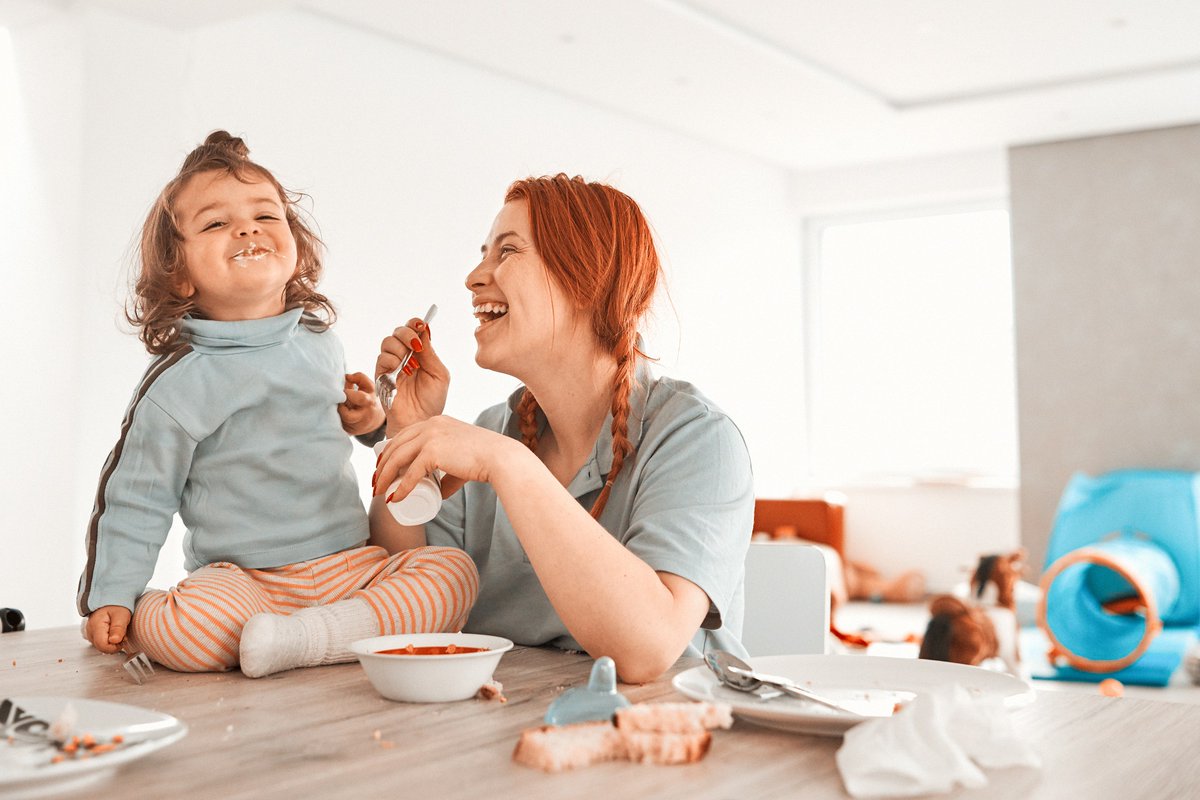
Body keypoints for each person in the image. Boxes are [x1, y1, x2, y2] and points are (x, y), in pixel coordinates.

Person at [77, 131, 478, 677]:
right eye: (216, 223)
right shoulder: (178, 384)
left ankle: (301, 639)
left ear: (296, 247)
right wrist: (114, 594)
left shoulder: (320, 344)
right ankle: (304, 633)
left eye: (266, 217)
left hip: (350, 566)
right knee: (186, 628)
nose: (247, 228)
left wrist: (371, 421)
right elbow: (136, 498)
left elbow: (337, 431)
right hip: (245, 584)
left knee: (452, 574)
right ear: (179, 270)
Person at [370, 174, 753, 683]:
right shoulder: (490, 432)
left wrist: (509, 465)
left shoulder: (698, 439)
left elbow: (646, 650)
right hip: (509, 719)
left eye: (506, 252)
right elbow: (408, 597)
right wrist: (406, 436)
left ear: (584, 280)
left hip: (664, 732)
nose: (473, 277)